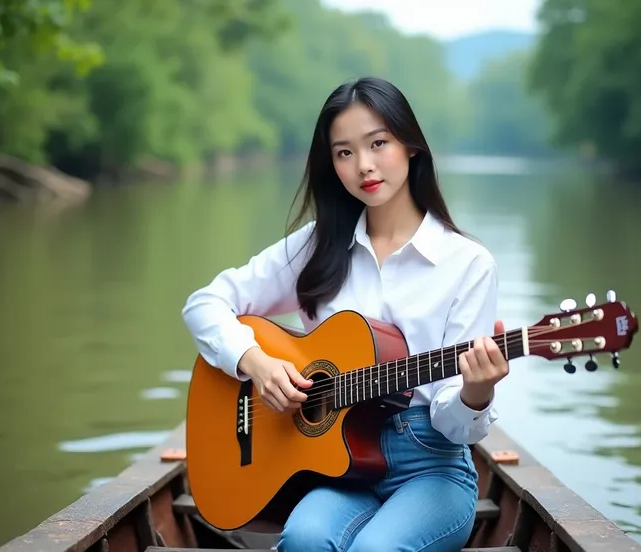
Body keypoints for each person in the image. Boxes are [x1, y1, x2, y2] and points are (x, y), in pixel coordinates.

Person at [181, 76, 509, 552]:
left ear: (411, 146)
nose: (365, 166)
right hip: (336, 465)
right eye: (344, 152)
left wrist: (477, 392)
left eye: (378, 143)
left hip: (430, 467)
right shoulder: (319, 245)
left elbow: (456, 426)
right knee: (304, 539)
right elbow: (204, 304)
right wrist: (256, 361)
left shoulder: (468, 264)